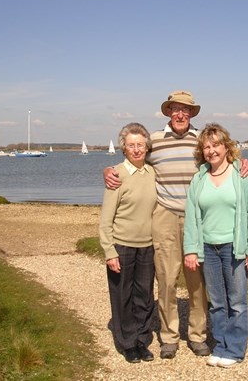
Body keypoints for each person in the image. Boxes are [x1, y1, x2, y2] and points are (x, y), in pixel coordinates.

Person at [104, 90, 248, 359]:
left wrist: (245, 163)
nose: (180, 114)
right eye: (175, 109)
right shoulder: (155, 141)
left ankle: (197, 335)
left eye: (185, 109)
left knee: (197, 282)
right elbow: (132, 161)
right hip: (164, 216)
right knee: (166, 280)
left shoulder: (201, 140)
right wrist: (107, 171)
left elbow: (224, 157)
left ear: (192, 113)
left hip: (198, 218)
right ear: (168, 112)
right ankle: (169, 336)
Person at [183, 123, 248, 368]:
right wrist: (191, 249)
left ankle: (236, 350)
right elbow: (191, 216)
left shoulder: (243, 175)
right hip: (208, 248)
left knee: (237, 302)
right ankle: (221, 345)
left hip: (234, 247)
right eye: (206, 147)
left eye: (216, 145)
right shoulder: (199, 178)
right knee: (217, 302)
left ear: (226, 147)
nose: (211, 150)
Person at [99, 122, 157, 364]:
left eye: (140, 145)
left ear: (147, 147)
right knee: (122, 296)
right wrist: (109, 251)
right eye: (131, 145)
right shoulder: (116, 175)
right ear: (123, 148)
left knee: (144, 296)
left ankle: (142, 340)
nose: (136, 149)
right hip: (122, 245)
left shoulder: (153, 173)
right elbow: (106, 219)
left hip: (148, 246)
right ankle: (127, 343)